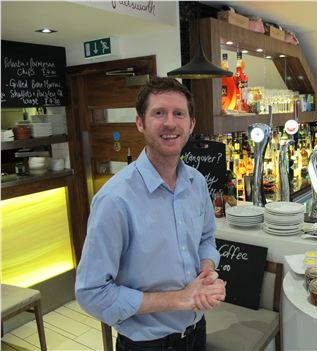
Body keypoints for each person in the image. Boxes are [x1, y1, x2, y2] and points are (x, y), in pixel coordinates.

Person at [75, 77, 226, 351]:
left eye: (179, 114)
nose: (170, 123)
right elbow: (91, 293)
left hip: (196, 332)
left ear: (191, 124)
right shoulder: (114, 199)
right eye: (159, 113)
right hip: (147, 345)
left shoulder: (197, 182)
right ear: (140, 123)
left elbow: (206, 239)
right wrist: (179, 298)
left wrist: (206, 273)